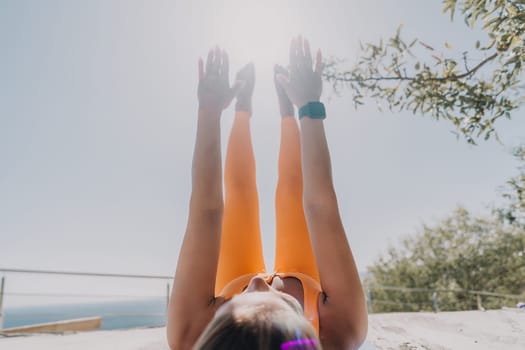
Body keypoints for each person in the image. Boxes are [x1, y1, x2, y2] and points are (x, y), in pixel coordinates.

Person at [167, 37, 368, 350]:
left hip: (233, 272)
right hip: (303, 273)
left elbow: (205, 212)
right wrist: (307, 107)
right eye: (283, 303)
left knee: (241, 198)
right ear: (307, 331)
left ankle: (242, 108)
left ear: (217, 328)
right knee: (292, 190)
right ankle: (285, 110)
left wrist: (208, 111)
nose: (259, 282)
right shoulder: (342, 331)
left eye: (238, 305)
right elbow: (321, 206)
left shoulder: (190, 338)